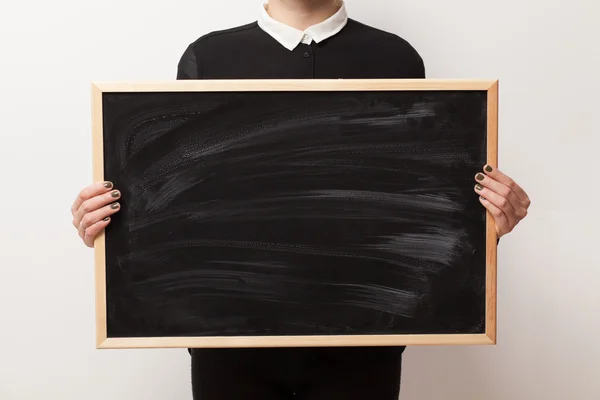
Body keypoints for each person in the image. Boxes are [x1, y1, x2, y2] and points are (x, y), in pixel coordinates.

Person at [71, 1, 531, 399]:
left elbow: (418, 202)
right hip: (230, 339)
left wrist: (487, 221)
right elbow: (178, 203)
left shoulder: (395, 57)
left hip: (363, 340)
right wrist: (113, 231)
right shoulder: (208, 56)